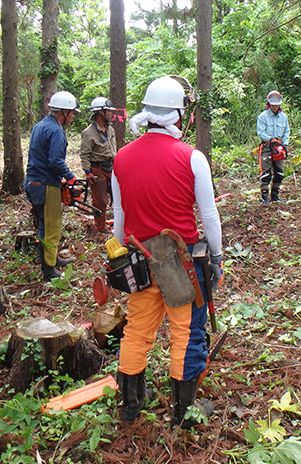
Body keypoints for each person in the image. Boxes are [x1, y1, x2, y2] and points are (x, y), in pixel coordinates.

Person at [112, 75, 223, 428]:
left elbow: (119, 220)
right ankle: (183, 413)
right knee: (187, 331)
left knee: (137, 328)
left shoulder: (121, 158)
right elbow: (208, 215)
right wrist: (217, 256)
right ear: (178, 115)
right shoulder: (192, 158)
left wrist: (122, 253)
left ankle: (130, 404)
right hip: (181, 258)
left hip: (139, 256)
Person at [24, 91, 81, 282]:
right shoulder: (56, 131)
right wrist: (71, 177)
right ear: (63, 112)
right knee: (51, 227)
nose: (72, 117)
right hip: (47, 184)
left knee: (43, 223)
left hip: (34, 182)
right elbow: (55, 161)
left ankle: (52, 258)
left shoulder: (40, 126)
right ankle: (49, 270)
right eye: (71, 113)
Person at [80, 96, 117, 233]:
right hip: (97, 169)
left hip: (111, 167)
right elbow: (84, 155)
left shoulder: (110, 130)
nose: (111, 114)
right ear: (101, 112)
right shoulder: (88, 133)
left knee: (118, 196)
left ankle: (119, 224)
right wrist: (88, 172)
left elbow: (114, 150)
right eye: (108, 111)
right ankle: (101, 228)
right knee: (100, 201)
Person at [256, 90, 290, 204]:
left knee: (279, 173)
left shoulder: (284, 117)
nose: (275, 107)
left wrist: (284, 144)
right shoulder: (262, 117)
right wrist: (270, 139)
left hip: (279, 147)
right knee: (266, 174)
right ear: (268, 104)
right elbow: (260, 132)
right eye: (273, 104)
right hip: (266, 147)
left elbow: (286, 131)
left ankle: (275, 196)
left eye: (277, 105)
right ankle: (264, 198)